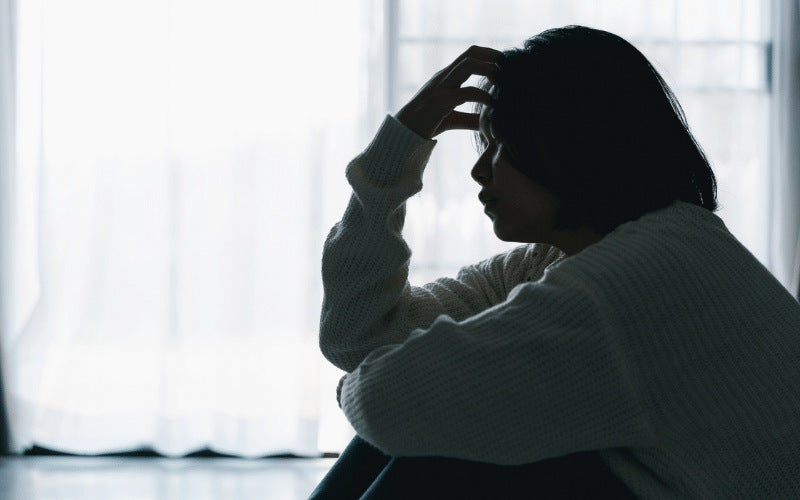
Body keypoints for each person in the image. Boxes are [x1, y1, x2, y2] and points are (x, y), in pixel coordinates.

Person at [310, 25, 800, 499]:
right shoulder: (567, 259)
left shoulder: (636, 277)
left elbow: (386, 403)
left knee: (444, 435)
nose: (479, 170)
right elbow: (358, 334)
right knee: (452, 425)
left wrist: (374, 379)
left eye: (500, 144)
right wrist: (399, 146)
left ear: (570, 143)